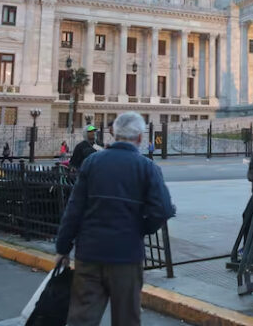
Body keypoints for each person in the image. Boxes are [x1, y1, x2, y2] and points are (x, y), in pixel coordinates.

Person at [55, 112, 174, 326]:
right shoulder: (147, 168)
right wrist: (141, 229)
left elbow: (74, 209)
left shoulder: (92, 162)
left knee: (82, 317)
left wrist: (63, 247)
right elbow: (163, 210)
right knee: (126, 318)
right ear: (139, 138)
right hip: (126, 256)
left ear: (113, 133)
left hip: (89, 253)